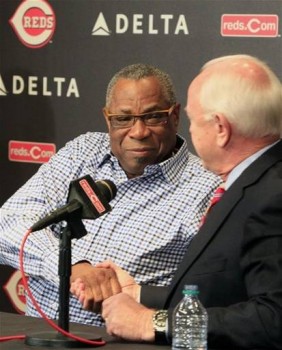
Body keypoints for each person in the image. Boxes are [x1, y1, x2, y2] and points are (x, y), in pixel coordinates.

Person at [72, 55, 282, 349]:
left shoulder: (272, 197)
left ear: (220, 128)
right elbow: (230, 292)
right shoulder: (249, 185)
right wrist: (139, 294)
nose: (191, 131)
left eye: (194, 120)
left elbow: (273, 319)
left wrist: (151, 322)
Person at [0, 63, 219, 326]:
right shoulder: (82, 152)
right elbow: (7, 225)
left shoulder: (206, 188)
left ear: (174, 116)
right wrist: (69, 267)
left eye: (152, 117)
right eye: (124, 119)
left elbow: (213, 298)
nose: (138, 132)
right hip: (38, 336)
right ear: (108, 119)